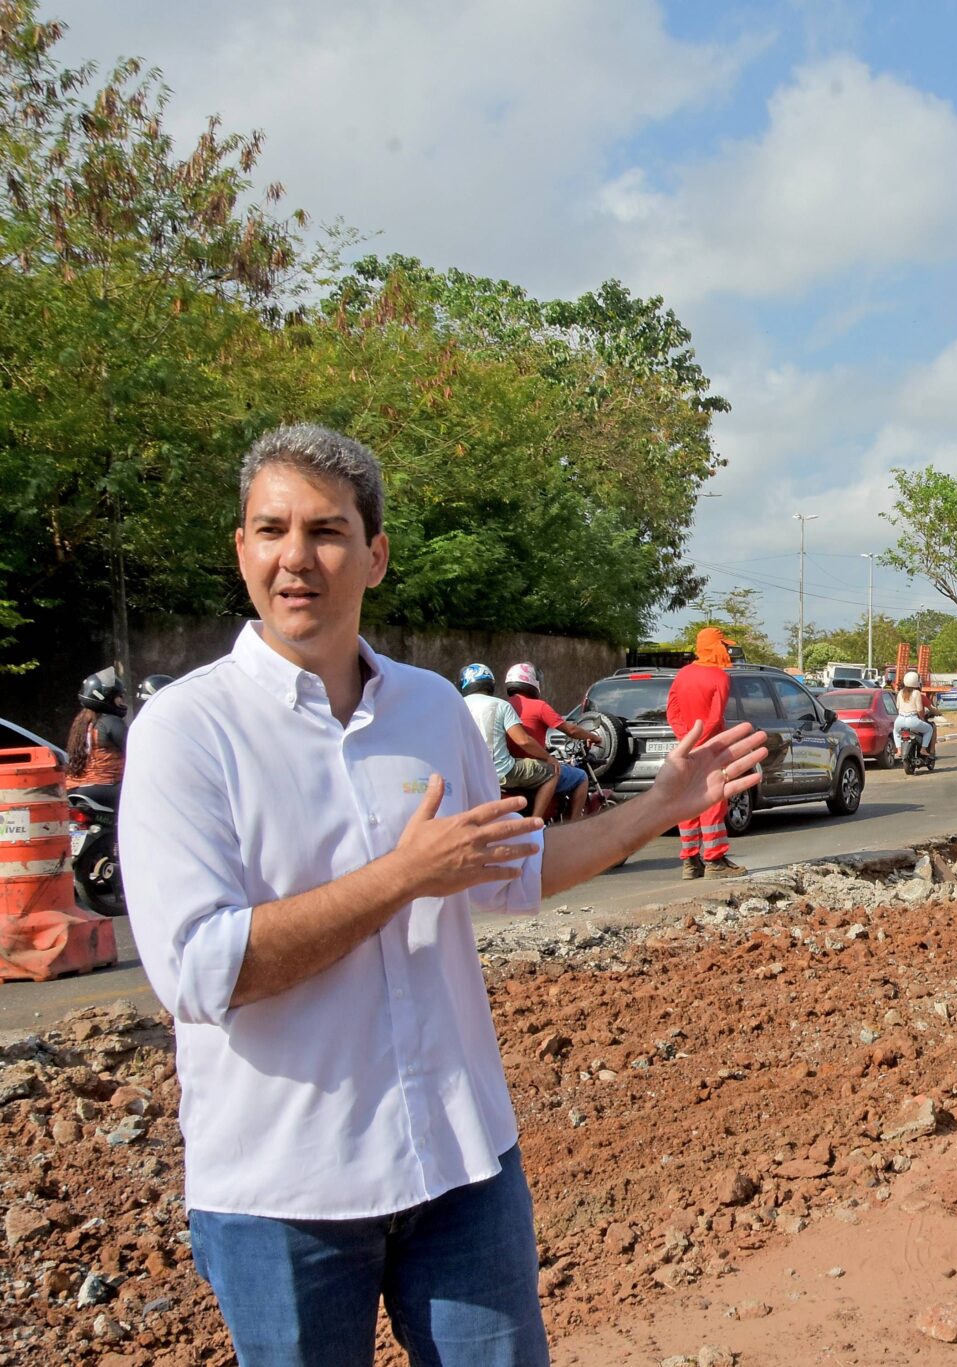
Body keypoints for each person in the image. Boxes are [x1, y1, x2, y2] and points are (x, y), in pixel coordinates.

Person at [118, 423, 766, 1366]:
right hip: (284, 1196)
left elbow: (513, 870)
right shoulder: (187, 732)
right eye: (271, 529)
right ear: (241, 548)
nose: (296, 557)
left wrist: (660, 807)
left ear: (374, 555)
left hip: (462, 1164)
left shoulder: (430, 708)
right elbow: (200, 972)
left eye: (328, 531)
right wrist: (401, 877)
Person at [667, 627, 747, 879]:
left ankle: (691, 861)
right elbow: (714, 718)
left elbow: (672, 712)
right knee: (713, 800)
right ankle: (714, 860)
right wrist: (701, 744)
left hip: (684, 748)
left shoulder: (683, 674)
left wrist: (686, 741)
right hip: (710, 749)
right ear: (716, 647)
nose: (727, 650)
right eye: (723, 645)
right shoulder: (720, 678)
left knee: (689, 801)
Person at [459, 663, 559, 822]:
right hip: (502, 772)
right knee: (552, 771)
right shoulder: (500, 705)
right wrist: (548, 758)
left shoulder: (458, 706)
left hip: (468, 774)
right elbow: (523, 740)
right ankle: (534, 823)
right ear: (490, 684)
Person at [503, 662, 600, 821]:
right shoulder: (539, 706)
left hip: (510, 767)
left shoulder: (503, 705)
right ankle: (572, 826)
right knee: (580, 776)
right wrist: (594, 737)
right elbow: (571, 730)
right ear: (532, 682)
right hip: (535, 768)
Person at [63, 666, 128, 802]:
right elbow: (135, 752)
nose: (122, 701)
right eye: (119, 696)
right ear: (106, 698)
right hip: (105, 786)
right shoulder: (111, 722)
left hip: (73, 788)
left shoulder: (80, 722)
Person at [894, 669, 937, 761]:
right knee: (929, 729)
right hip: (913, 720)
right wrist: (921, 718)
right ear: (917, 682)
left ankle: (899, 750)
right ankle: (923, 749)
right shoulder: (916, 693)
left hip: (899, 720)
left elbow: (898, 707)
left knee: (895, 731)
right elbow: (920, 709)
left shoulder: (900, 692)